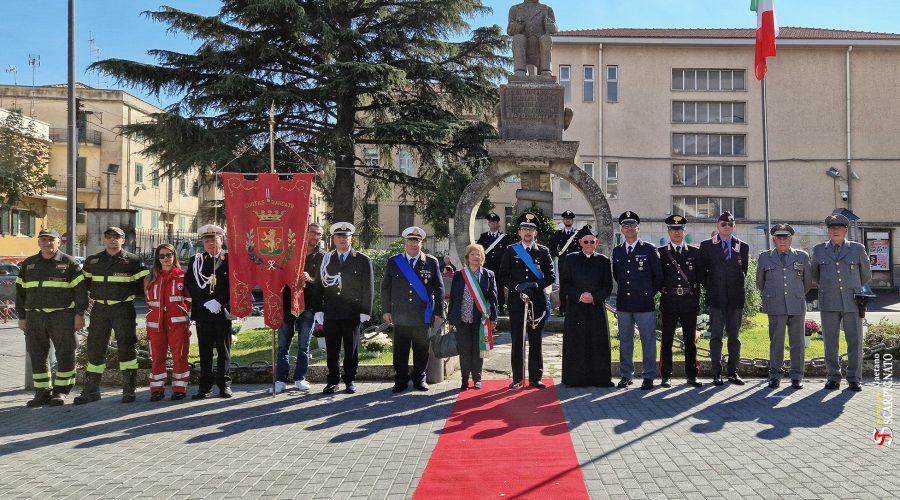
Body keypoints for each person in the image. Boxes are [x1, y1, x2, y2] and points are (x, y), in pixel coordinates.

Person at [75, 226, 149, 404]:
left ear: (124, 240)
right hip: (100, 310)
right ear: (104, 239)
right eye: (108, 236)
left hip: (123, 309)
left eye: (117, 237)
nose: (112, 239)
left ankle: (129, 390)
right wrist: (80, 312)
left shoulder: (134, 261)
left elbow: (146, 287)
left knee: (126, 347)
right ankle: (92, 390)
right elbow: (82, 287)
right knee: (95, 347)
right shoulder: (92, 261)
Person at [16, 229, 88, 407]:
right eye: (43, 240)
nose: (47, 243)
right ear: (38, 242)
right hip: (35, 316)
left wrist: (80, 315)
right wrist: (22, 317)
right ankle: (42, 392)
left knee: (65, 353)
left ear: (59, 243)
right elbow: (20, 293)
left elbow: (80, 292)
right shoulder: (29, 264)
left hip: (62, 316)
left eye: (51, 240)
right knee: (37, 354)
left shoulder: (69, 263)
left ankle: (61, 391)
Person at [811, 213, 872, 392]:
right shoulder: (819, 250)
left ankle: (854, 378)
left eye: (838, 227)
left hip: (852, 301)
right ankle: (833, 377)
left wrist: (851, 287)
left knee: (855, 341)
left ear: (845, 230)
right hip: (828, 301)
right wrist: (829, 287)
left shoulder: (857, 249)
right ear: (828, 231)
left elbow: (866, 275)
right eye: (832, 227)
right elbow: (815, 274)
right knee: (830, 341)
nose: (835, 230)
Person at [313, 222, 374, 395]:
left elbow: (368, 288)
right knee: (332, 349)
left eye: (345, 237)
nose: (342, 240)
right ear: (333, 239)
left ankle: (350, 380)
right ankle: (332, 380)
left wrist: (365, 311)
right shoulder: (326, 259)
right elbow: (318, 286)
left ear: (351, 239)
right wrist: (318, 309)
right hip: (331, 312)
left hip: (352, 312)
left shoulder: (362, 260)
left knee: (351, 349)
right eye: (339, 237)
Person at [382, 226, 445, 392]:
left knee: (421, 350)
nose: (413, 244)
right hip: (400, 315)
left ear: (421, 243)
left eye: (416, 241)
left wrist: (438, 312)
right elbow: (386, 288)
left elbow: (439, 288)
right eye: (410, 240)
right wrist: (386, 310)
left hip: (422, 314)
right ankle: (401, 380)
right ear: (405, 242)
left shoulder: (431, 262)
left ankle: (419, 379)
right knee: (400, 350)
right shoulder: (394, 261)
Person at [498, 212, 555, 389]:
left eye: (531, 228)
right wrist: (517, 287)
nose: (528, 231)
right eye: (524, 228)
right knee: (517, 340)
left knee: (536, 340)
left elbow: (551, 276)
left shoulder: (543, 251)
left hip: (536, 302)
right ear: (519, 232)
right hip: (517, 301)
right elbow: (503, 276)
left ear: (535, 233)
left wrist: (535, 285)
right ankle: (517, 378)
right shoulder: (511, 250)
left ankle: (535, 377)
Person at [756, 224, 813, 390]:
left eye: (785, 238)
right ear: (773, 239)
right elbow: (760, 282)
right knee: (776, 342)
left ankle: (796, 376)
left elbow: (807, 282)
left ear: (791, 239)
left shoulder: (801, 256)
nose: (782, 241)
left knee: (797, 343)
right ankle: (775, 375)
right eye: (779, 238)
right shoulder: (765, 257)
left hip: (796, 304)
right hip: (775, 305)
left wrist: (796, 294)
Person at [611, 212, 662, 390]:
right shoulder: (617, 251)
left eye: (633, 225)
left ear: (638, 228)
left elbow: (658, 276)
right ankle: (626, 375)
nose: (629, 228)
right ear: (622, 229)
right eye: (626, 226)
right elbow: (617, 276)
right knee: (625, 340)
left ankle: (648, 376)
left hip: (644, 303)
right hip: (624, 303)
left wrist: (648, 293)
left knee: (648, 340)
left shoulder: (649, 249)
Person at [699, 211, 750, 386]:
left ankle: (733, 372)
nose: (726, 227)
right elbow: (702, 272)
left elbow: (744, 271)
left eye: (730, 224)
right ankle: (716, 372)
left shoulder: (742, 246)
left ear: (734, 226)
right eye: (723, 224)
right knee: (716, 336)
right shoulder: (707, 246)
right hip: (716, 299)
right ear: (717, 226)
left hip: (735, 299)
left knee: (734, 337)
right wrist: (714, 287)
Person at [274, 223, 325, 394]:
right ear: (305, 233)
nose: (314, 237)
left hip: (308, 307)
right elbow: (277, 273)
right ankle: (280, 380)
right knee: (283, 345)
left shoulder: (322, 257)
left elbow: (326, 281)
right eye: (312, 233)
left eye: (318, 234)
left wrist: (310, 278)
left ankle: (299, 378)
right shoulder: (291, 252)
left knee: (304, 346)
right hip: (287, 304)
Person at [560, 226, 614, 387]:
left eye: (592, 241)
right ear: (580, 243)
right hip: (576, 308)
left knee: (597, 343)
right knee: (577, 343)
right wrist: (579, 296)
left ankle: (600, 378)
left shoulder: (603, 261)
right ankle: (576, 378)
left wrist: (594, 297)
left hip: (596, 308)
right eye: (586, 241)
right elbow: (565, 284)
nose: (589, 244)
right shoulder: (570, 259)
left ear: (596, 242)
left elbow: (608, 286)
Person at [185, 224, 233, 399]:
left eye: (214, 240)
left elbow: (233, 285)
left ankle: (224, 385)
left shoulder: (230, 259)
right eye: (207, 241)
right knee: (204, 351)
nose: (211, 244)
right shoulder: (196, 260)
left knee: (224, 350)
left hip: (222, 311)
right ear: (203, 243)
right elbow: (191, 284)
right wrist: (206, 302)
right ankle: (204, 387)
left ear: (222, 240)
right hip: (204, 312)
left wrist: (219, 301)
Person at [658, 215, 706, 388]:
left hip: (688, 301)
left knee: (690, 340)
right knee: (667, 340)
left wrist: (696, 298)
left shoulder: (694, 252)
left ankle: (692, 375)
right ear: (668, 231)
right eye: (673, 229)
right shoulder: (661, 252)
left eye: (679, 229)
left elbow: (700, 276)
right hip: (669, 300)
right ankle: (666, 375)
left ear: (684, 231)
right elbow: (657, 277)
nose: (676, 233)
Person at [145, 243, 192, 401]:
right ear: (158, 259)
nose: (166, 258)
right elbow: (148, 300)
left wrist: (181, 312)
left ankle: (179, 388)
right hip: (156, 325)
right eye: (162, 256)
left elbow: (189, 299)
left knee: (179, 356)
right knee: (157, 357)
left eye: (169, 255)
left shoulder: (183, 276)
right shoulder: (150, 278)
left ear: (174, 256)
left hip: (177, 324)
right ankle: (156, 389)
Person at [448, 243, 499, 391]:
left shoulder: (489, 274)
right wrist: (451, 319)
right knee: (464, 350)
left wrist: (494, 319)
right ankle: (464, 380)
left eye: (478, 254)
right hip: (462, 319)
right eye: (473, 254)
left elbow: (494, 298)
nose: (476, 257)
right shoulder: (459, 274)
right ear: (467, 257)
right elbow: (453, 298)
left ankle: (477, 379)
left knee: (478, 350)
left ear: (482, 257)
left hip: (481, 320)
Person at [507, 0, 557, 76]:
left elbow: (554, 29)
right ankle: (519, 70)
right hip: (523, 45)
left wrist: (551, 26)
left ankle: (546, 69)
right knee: (518, 38)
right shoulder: (515, 9)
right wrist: (517, 26)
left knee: (546, 38)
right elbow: (510, 30)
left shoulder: (546, 9)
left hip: (539, 46)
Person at [476, 212, 509, 314]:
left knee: (499, 287)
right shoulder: (483, 237)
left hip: (500, 267)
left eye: (495, 222)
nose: (493, 224)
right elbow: (479, 250)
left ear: (498, 224)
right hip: (487, 266)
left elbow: (508, 253)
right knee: (486, 286)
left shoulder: (505, 237)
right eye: (491, 222)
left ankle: (501, 307)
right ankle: (486, 306)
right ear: (488, 224)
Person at [550, 210, 581, 316]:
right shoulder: (558, 234)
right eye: (566, 219)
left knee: (576, 284)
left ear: (572, 220)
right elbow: (552, 247)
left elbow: (582, 248)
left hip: (575, 263)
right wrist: (559, 255)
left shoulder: (577, 233)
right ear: (563, 220)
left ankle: (574, 308)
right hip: (563, 262)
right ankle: (563, 309)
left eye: (570, 219)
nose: (568, 220)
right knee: (563, 286)